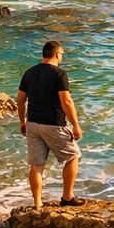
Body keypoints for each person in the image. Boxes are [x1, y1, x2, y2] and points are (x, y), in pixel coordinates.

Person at [16, 40, 85, 207]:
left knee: (37, 165)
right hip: (53, 123)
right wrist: (76, 125)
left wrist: (22, 121)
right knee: (74, 156)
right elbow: (66, 101)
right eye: (62, 54)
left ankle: (38, 203)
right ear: (57, 54)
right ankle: (67, 197)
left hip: (33, 124)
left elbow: (20, 100)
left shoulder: (29, 73)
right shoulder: (60, 74)